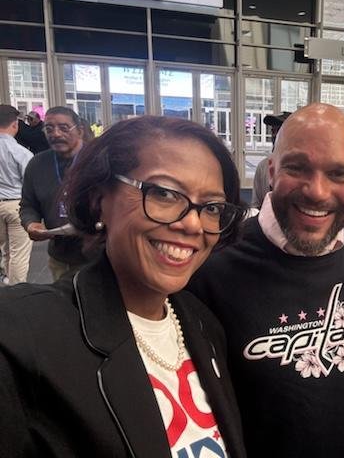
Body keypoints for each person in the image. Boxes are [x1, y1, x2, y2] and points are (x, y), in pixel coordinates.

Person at [0, 115, 247, 457]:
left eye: (212, 207)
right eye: (163, 193)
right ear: (99, 197)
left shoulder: (204, 325)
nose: (192, 223)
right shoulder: (24, 336)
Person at [188, 103, 344, 457]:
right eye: (298, 167)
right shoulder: (212, 269)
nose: (317, 191)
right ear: (271, 171)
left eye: (338, 174)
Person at [19, 106, 90, 280]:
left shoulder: (98, 160)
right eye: (49, 129)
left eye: (64, 128)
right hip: (60, 256)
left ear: (79, 131)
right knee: (63, 303)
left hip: (98, 255)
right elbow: (28, 204)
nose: (56, 134)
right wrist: (31, 223)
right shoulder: (37, 164)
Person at [0, 104, 33, 284]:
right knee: (18, 253)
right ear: (15, 125)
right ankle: (16, 294)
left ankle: (6, 282)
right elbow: (30, 183)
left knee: (5, 249)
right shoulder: (21, 152)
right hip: (16, 206)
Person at [251, 111, 291, 208]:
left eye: (280, 131)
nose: (275, 135)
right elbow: (256, 206)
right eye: (273, 131)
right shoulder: (263, 166)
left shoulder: (304, 169)